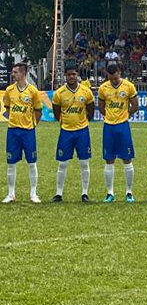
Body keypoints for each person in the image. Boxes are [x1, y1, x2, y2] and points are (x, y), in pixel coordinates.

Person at [50, 65, 95, 202]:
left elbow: (91, 110)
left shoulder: (86, 91)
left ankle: (84, 193)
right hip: (66, 132)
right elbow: (57, 112)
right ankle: (59, 194)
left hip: (82, 132)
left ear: (77, 75)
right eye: (69, 75)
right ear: (65, 75)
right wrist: (64, 122)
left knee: (84, 163)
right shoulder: (59, 93)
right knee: (62, 164)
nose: (71, 77)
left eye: (74, 74)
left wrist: (83, 122)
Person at [97, 62, 139, 202]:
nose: (114, 81)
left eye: (115, 78)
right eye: (111, 78)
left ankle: (129, 192)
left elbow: (135, 105)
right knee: (109, 159)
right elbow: (101, 107)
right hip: (108, 127)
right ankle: (110, 192)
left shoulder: (129, 86)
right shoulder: (103, 88)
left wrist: (125, 115)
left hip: (123, 126)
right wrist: (110, 116)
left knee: (127, 159)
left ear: (119, 73)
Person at [2, 63, 43, 203]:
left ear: (23, 73)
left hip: (28, 132)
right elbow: (7, 108)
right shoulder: (9, 90)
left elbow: (38, 111)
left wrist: (32, 125)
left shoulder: (33, 91)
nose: (13, 74)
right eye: (13, 72)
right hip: (13, 131)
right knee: (11, 163)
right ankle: (11, 194)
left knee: (32, 163)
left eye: (15, 72)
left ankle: (33, 194)